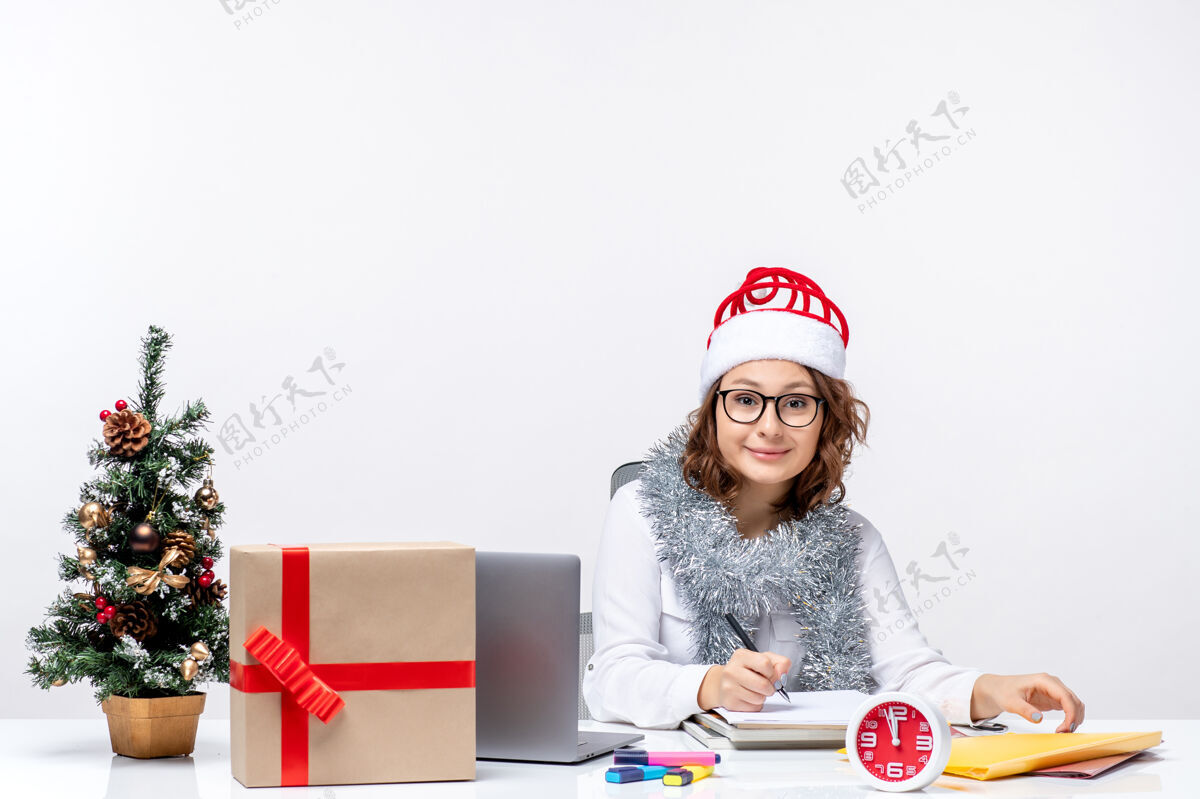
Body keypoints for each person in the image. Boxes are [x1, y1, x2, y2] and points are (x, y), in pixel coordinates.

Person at [582, 267, 1086, 732]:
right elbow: (610, 679)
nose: (769, 426)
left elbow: (907, 674)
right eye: (744, 399)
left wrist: (991, 689)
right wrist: (707, 685)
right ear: (712, 412)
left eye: (796, 402)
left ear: (828, 420)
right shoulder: (641, 510)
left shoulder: (854, 539)